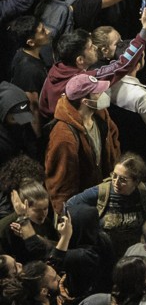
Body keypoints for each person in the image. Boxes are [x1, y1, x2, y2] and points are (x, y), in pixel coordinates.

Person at [45, 74, 122, 211]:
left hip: (103, 198)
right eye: (98, 93)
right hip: (82, 207)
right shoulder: (63, 136)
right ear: (85, 101)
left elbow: (114, 145)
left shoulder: (101, 116)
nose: (104, 95)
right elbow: (61, 183)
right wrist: (65, 215)